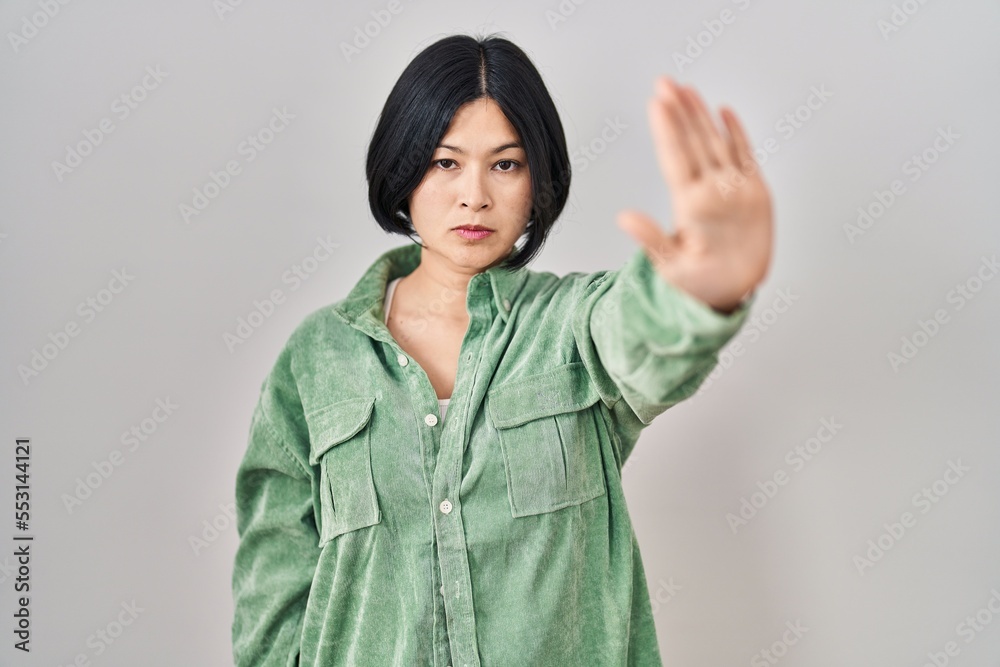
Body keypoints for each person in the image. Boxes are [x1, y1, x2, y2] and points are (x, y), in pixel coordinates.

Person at [231, 32, 772, 667]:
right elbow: (274, 589)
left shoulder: (572, 325)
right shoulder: (317, 359)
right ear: (402, 168)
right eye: (444, 162)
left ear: (538, 179)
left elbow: (645, 335)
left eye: (506, 164)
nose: (475, 195)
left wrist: (702, 292)